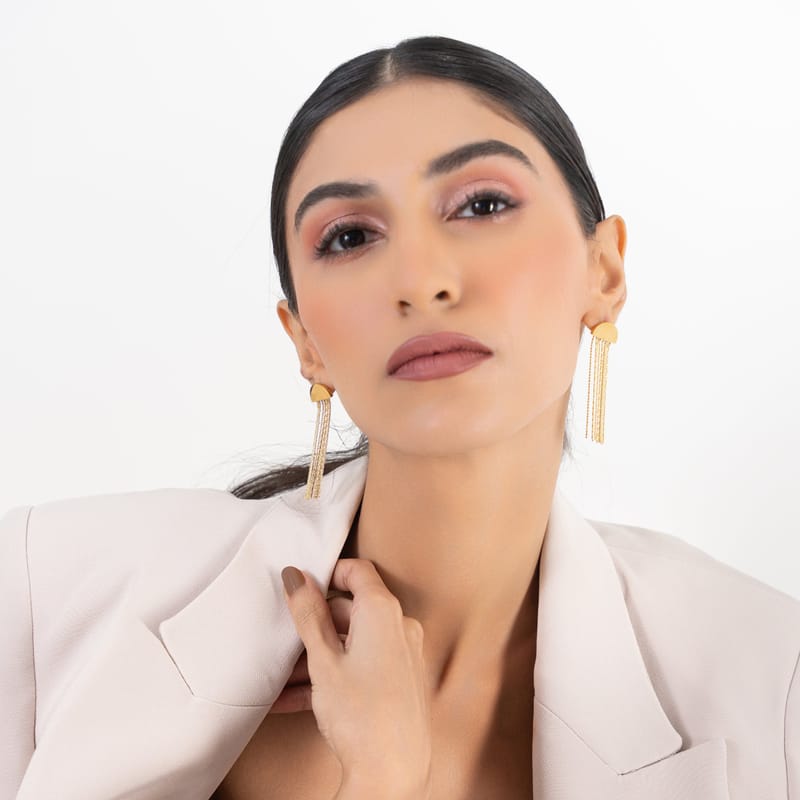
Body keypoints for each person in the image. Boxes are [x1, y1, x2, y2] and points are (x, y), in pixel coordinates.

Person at [1, 34, 798, 800]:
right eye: (350, 236)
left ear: (605, 271)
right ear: (305, 340)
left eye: (482, 204)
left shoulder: (768, 682)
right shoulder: (41, 597)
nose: (420, 280)